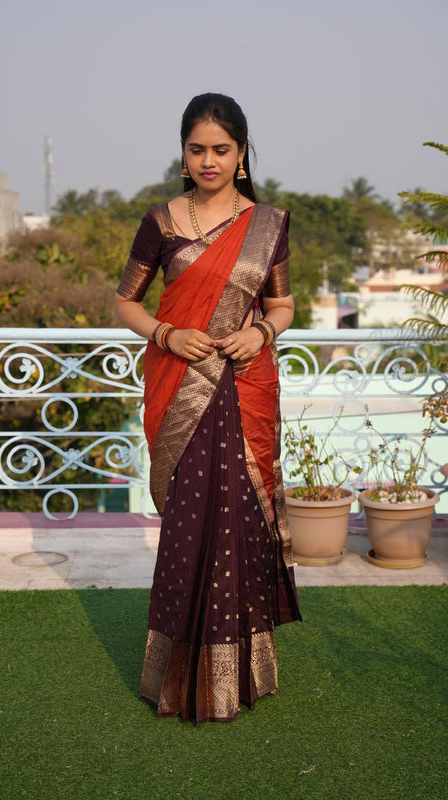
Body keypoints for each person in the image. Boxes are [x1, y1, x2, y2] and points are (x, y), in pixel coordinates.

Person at [114, 92, 301, 724]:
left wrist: (262, 333)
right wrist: (166, 334)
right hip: (182, 387)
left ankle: (244, 674)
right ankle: (177, 677)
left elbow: (282, 305)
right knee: (189, 525)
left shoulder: (267, 225)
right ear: (183, 153)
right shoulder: (161, 222)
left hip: (244, 388)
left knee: (240, 522)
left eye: (222, 149)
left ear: (242, 153)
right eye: (198, 150)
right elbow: (127, 303)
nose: (209, 161)